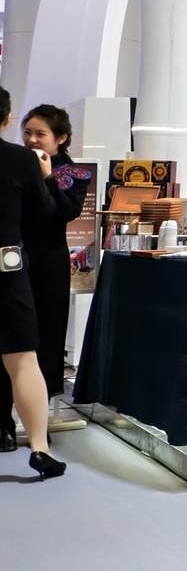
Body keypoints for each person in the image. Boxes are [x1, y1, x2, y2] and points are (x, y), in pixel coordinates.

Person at [0, 106, 92, 443]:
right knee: (10, 337)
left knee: (46, 335)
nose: (32, 140)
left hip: (48, 263)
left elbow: (66, 212)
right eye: (27, 132)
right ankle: (3, 421)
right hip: (12, 259)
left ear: (61, 138)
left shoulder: (74, 174)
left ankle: (38, 423)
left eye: (40, 134)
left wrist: (48, 178)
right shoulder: (16, 161)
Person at [0, 86, 67, 476]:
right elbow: (44, 213)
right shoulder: (20, 159)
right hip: (6, 270)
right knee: (23, 360)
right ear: (7, 119)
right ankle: (40, 449)